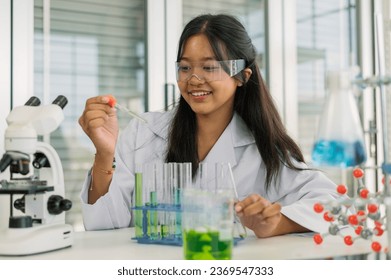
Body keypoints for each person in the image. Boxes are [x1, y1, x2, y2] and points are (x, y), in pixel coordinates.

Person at [78, 13, 339, 237]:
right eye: (185, 67)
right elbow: (103, 226)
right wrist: (104, 154)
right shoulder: (144, 131)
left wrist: (275, 223)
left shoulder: (263, 150)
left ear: (241, 76)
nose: (193, 79)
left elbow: (335, 205)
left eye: (209, 67)